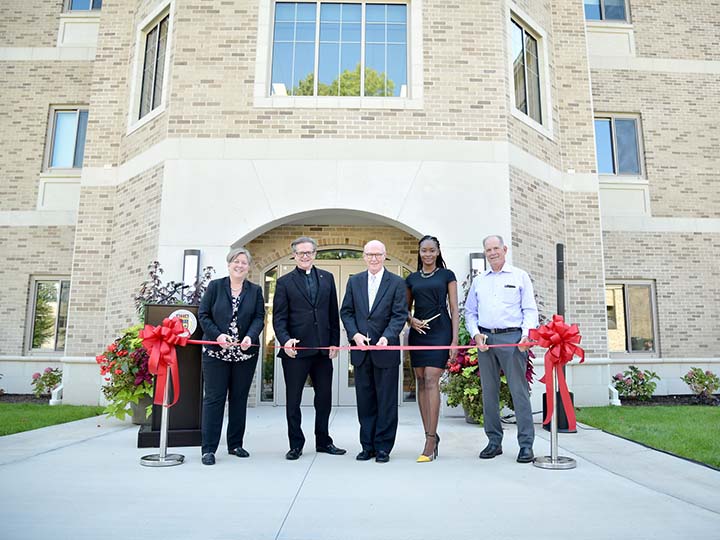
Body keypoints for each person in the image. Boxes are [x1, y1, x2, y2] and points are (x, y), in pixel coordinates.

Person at [465, 235, 538, 463]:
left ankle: (526, 445)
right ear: (485, 252)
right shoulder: (479, 280)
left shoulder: (519, 276)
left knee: (519, 392)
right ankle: (494, 442)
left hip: (513, 340)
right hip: (486, 340)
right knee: (489, 393)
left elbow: (530, 310)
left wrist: (526, 335)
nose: (493, 252)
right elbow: (470, 312)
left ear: (505, 249)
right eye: (488, 249)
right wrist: (476, 334)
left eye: (496, 248)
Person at [273, 236, 346, 460]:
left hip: (323, 350)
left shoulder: (327, 278)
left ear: (315, 254)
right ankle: (296, 444)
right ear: (294, 255)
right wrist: (285, 340)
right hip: (296, 350)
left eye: (309, 252)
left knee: (324, 398)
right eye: (301, 253)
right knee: (293, 400)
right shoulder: (284, 282)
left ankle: (323, 441)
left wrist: (334, 341)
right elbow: (278, 317)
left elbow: (334, 314)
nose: (305, 256)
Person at [340, 240, 408, 463]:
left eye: (378, 254)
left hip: (385, 351)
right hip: (361, 352)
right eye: (370, 254)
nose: (374, 258)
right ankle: (366, 446)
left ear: (385, 255)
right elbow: (347, 312)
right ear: (364, 256)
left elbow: (399, 315)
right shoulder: (355, 281)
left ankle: (383, 448)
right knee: (365, 401)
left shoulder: (397, 282)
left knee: (386, 402)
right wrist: (355, 335)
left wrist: (387, 337)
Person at [198, 247, 265, 466]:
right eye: (236, 261)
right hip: (217, 354)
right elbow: (203, 315)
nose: (239, 265)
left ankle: (235, 444)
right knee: (214, 400)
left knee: (238, 400)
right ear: (229, 264)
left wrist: (250, 336)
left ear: (248, 267)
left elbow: (258, 317)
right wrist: (217, 336)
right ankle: (208, 449)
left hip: (244, 355)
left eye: (244, 262)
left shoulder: (254, 290)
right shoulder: (216, 287)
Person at [406, 235, 459, 462]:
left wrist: (454, 341)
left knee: (431, 378)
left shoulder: (447, 275)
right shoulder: (411, 278)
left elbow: (455, 309)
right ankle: (430, 433)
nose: (427, 254)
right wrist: (411, 321)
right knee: (420, 380)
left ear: (438, 252)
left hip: (440, 331)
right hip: (418, 333)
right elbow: (404, 310)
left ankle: (430, 440)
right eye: (423, 251)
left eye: (431, 250)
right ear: (419, 253)